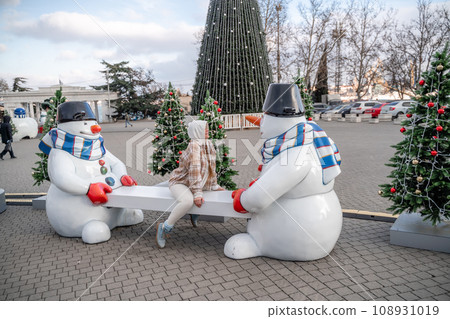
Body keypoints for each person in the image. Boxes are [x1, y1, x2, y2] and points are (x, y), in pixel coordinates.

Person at [156, 120, 224, 248]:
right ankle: (164, 227)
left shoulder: (208, 143)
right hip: (180, 182)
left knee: (212, 195)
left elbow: (211, 167)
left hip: (194, 183)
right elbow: (194, 170)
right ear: (197, 131)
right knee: (187, 201)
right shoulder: (194, 145)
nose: (207, 131)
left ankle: (194, 214)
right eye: (205, 129)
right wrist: (197, 193)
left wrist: (214, 185)